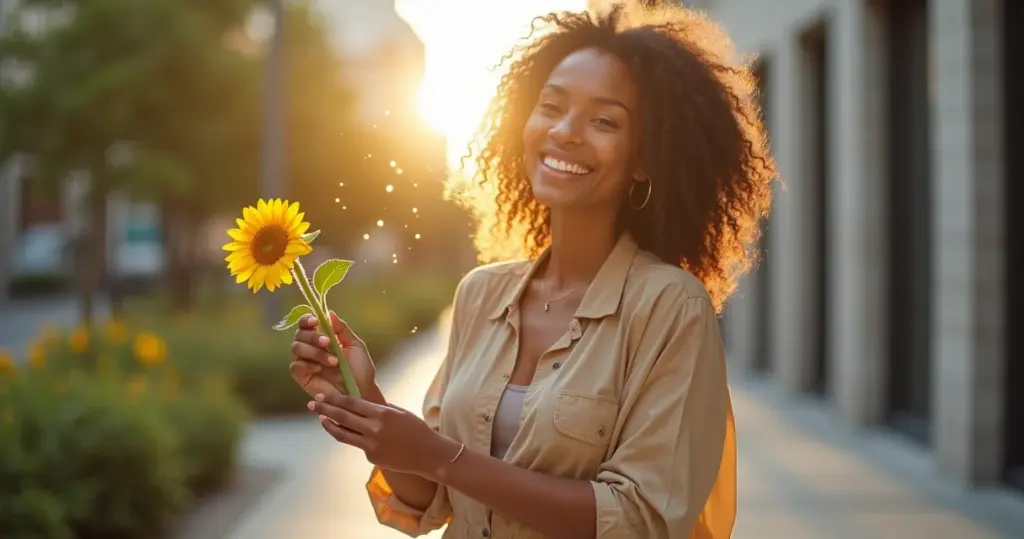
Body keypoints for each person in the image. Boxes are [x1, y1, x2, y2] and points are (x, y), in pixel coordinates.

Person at [289, 2, 775, 538]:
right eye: (551, 106)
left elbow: (641, 519)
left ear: (644, 158)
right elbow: (430, 499)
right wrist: (365, 398)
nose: (566, 132)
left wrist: (440, 456)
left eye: (604, 121)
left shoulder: (669, 306)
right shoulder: (481, 293)